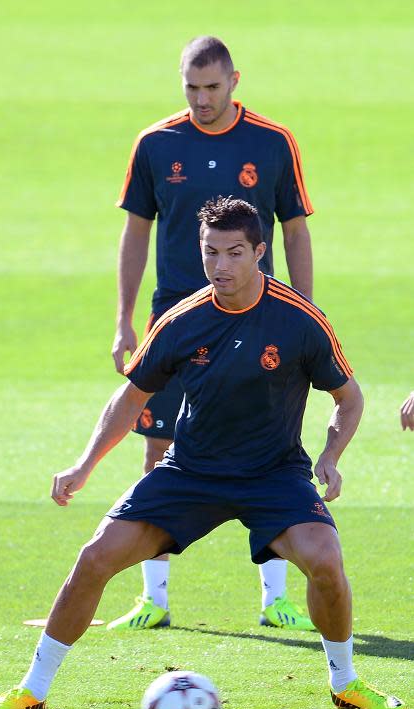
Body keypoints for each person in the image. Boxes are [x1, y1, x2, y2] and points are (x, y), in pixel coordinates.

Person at [0, 197, 405, 709]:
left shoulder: (299, 319)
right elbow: (131, 397)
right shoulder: (183, 320)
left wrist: (331, 455)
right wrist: (84, 465)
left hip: (274, 474)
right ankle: (33, 688)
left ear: (260, 253)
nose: (220, 267)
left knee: (326, 562)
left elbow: (349, 397)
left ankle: (346, 683)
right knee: (94, 558)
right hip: (191, 472)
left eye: (233, 253)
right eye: (210, 253)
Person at [110, 35, 315, 631]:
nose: (202, 99)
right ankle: (154, 598)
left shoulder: (272, 143)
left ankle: (276, 599)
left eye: (212, 87)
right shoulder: (156, 143)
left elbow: (296, 231)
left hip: (259, 319)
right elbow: (135, 233)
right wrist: (124, 319)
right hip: (176, 317)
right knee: (157, 446)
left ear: (234, 82)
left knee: (270, 450)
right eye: (191, 88)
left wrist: (302, 311)